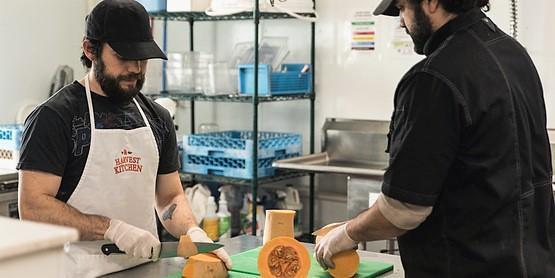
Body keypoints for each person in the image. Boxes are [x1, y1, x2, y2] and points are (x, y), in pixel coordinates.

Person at [314, 0, 555, 277]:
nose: (401, 22)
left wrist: (347, 233)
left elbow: (402, 210)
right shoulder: (513, 54)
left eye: (403, 8)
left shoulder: (433, 79)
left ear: (430, 2)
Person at [17, 0, 232, 277]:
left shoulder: (157, 118)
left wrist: (191, 229)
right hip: (74, 271)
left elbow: (169, 197)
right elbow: (33, 207)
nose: (135, 69)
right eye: (124, 57)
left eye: (142, 59)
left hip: (143, 269)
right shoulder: (54, 117)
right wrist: (110, 228)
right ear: (90, 49)